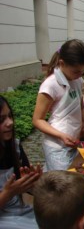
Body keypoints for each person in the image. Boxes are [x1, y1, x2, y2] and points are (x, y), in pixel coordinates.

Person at [33, 39, 84, 171]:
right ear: (62, 64)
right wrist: (61, 135)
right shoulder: (50, 85)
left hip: (72, 142)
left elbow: (82, 108)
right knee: (65, 184)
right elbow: (37, 120)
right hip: (56, 146)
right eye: (76, 71)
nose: (80, 75)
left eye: (82, 71)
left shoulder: (77, 80)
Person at [0, 95, 42, 228]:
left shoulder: (14, 148)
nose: (10, 122)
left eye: (10, 116)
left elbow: (28, 188)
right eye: (1, 120)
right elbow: (12, 192)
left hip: (19, 213)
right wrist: (8, 193)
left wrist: (32, 183)